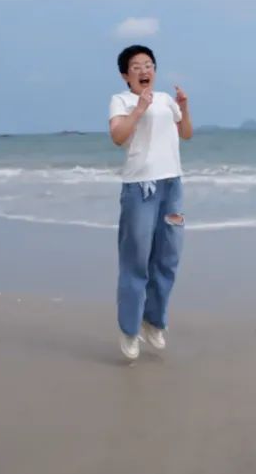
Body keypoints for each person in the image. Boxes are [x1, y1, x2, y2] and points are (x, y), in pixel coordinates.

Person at [108, 45, 193, 360]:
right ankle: (129, 329)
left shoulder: (166, 99)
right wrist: (139, 109)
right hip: (139, 188)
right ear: (125, 75)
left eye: (149, 65)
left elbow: (186, 133)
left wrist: (184, 106)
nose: (144, 70)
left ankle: (153, 321)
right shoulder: (121, 101)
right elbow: (118, 136)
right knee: (137, 261)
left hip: (172, 186)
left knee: (168, 258)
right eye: (136, 66)